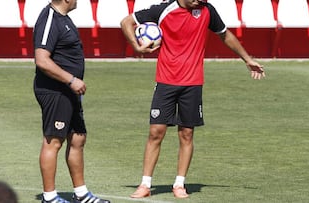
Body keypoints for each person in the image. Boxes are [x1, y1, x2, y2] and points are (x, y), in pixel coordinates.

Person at [120, 0, 265, 199]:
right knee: (156, 132)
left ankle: (179, 184)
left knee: (187, 134)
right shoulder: (162, 9)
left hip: (193, 83)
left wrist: (247, 59)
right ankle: (145, 184)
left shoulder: (207, 10)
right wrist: (136, 47)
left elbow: (225, 34)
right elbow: (126, 22)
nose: (199, 0)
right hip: (166, 81)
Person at [33, 0, 110, 203]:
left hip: (69, 92)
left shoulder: (64, 19)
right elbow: (41, 59)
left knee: (77, 139)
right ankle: (49, 198)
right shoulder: (49, 18)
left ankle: (82, 194)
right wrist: (71, 80)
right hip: (55, 91)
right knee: (54, 141)